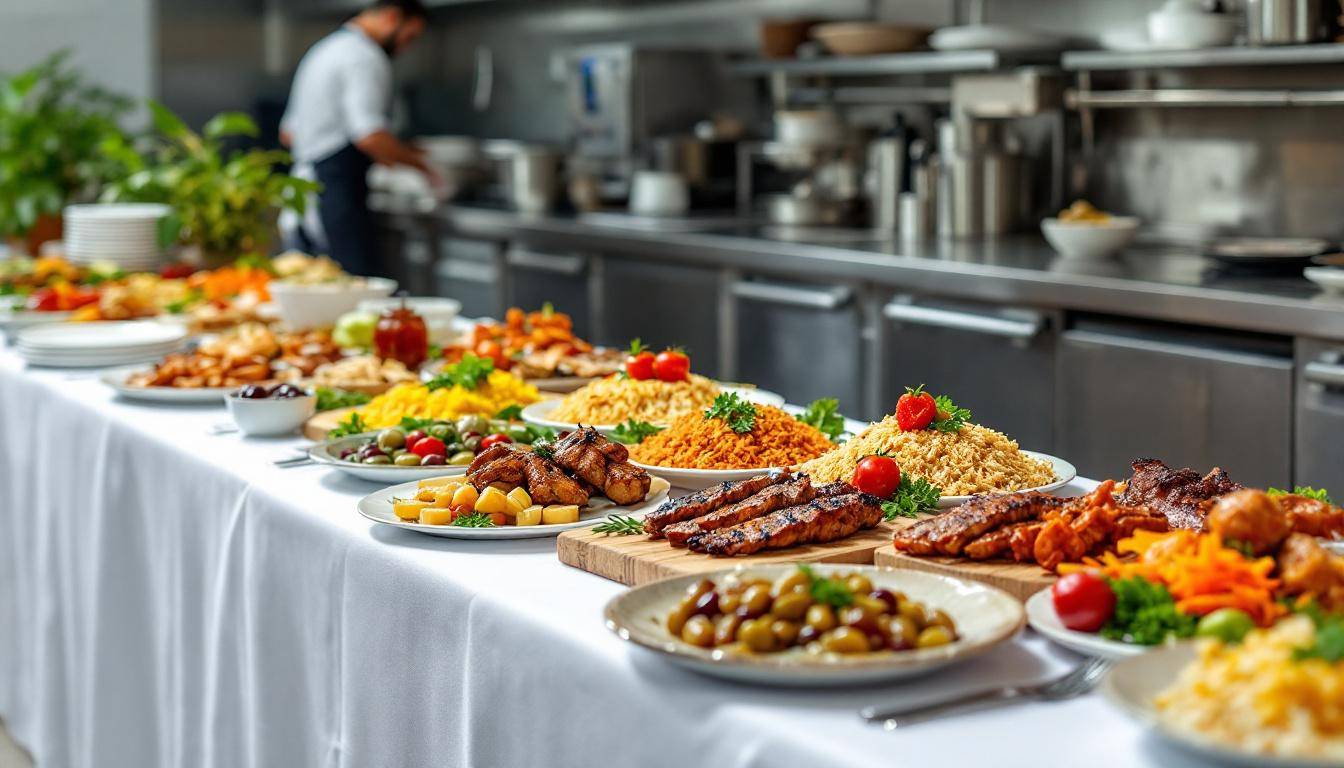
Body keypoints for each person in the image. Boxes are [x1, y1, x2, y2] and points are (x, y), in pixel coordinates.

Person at [280, 0, 438, 275]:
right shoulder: (363, 56)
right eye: (408, 37)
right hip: (334, 194)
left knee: (315, 290)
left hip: (303, 192)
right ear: (391, 17)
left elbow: (288, 134)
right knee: (355, 292)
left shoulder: (324, 50)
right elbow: (370, 136)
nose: (404, 47)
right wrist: (422, 166)